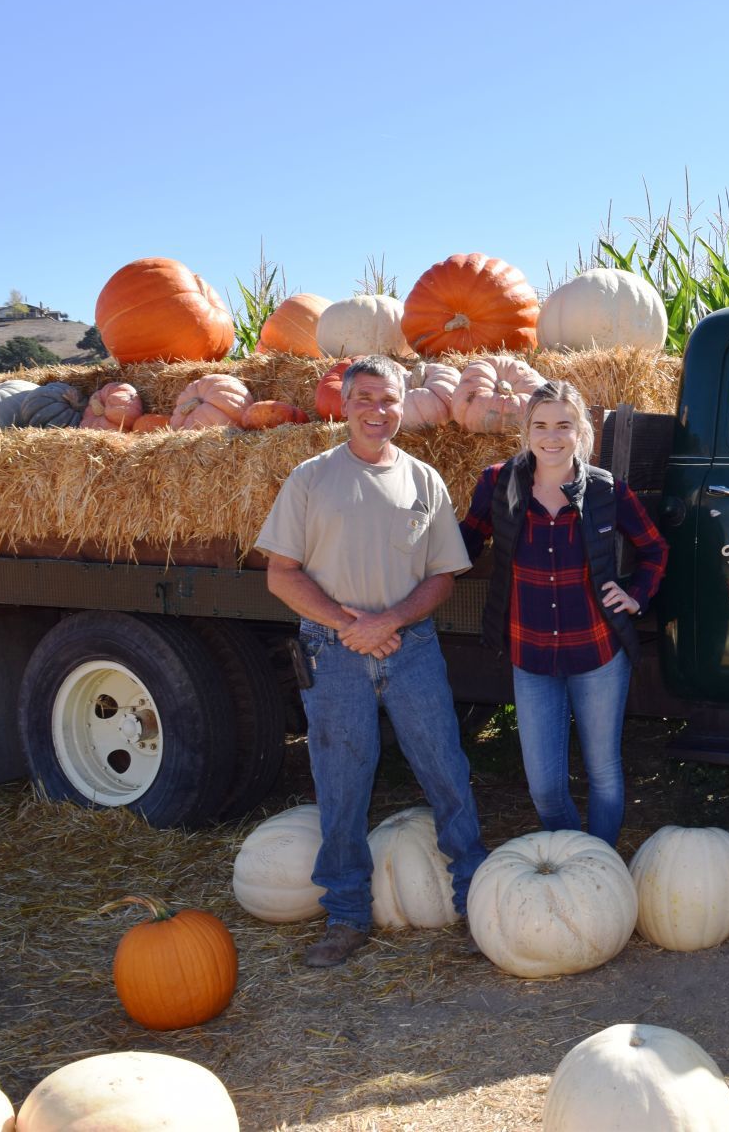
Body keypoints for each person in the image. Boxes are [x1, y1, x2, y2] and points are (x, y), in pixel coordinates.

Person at [256, 355, 487, 968]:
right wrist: (352, 625)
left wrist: (390, 622)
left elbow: (444, 575)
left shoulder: (423, 480)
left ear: (403, 403)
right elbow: (281, 574)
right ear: (345, 403)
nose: (377, 412)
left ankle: (474, 901)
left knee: (446, 770)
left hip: (411, 651)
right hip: (334, 654)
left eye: (389, 401)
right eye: (365, 400)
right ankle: (347, 914)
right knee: (341, 783)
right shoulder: (311, 479)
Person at [458, 380, 667, 847]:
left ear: (581, 432)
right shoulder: (500, 482)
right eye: (541, 425)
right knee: (546, 787)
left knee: (604, 773)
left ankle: (601, 869)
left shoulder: (606, 490)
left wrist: (637, 595)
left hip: (597, 653)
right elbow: (465, 541)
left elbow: (654, 548)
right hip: (530, 656)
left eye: (563, 425)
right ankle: (576, 857)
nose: (552, 436)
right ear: (527, 431)